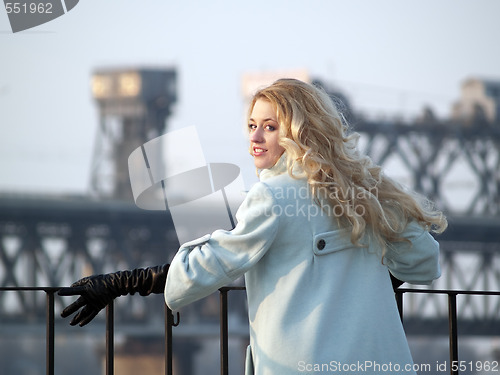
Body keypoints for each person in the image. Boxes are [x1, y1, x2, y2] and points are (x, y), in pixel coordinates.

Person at [59, 78, 447, 374]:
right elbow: (425, 261)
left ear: (299, 133)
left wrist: (122, 283)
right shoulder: (366, 193)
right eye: (251, 126)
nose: (255, 139)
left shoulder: (274, 196)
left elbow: (214, 263)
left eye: (270, 127)